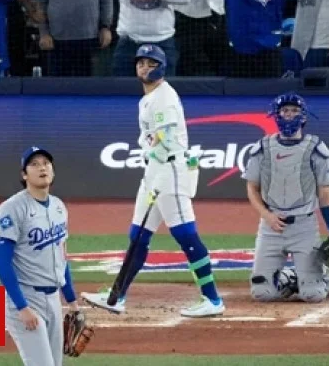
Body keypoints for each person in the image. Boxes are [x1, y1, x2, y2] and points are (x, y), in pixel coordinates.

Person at [81, 44, 225, 318]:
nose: (145, 68)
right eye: (141, 63)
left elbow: (167, 141)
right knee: (139, 235)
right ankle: (117, 296)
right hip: (154, 173)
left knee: (185, 234)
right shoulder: (149, 97)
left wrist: (149, 156)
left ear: (161, 66)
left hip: (170, 172)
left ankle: (213, 300)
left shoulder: (164, 97)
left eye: (151, 63)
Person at [242, 93, 329, 303]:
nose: (289, 115)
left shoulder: (316, 148)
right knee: (261, 293)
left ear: (304, 116)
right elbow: (252, 188)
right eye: (285, 111)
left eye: (294, 111)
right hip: (271, 227)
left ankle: (321, 278)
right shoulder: (262, 148)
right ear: (276, 115)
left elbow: (325, 192)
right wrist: (266, 215)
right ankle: (290, 278)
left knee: (313, 295)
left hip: (304, 226)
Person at [0, 146, 85, 366]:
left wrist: (71, 301)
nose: (42, 167)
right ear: (24, 175)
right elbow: (2, 263)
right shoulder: (11, 209)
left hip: (53, 300)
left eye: (46, 163)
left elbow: (61, 258)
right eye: (34, 164)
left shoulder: (59, 207)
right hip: (25, 299)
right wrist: (22, 307)